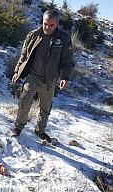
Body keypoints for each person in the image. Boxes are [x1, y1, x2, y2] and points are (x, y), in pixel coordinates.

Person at [11, 9, 75, 142]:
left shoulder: (63, 39)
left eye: (51, 25)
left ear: (57, 24)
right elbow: (23, 55)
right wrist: (17, 71)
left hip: (50, 80)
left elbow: (67, 61)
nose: (47, 27)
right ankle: (18, 126)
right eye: (45, 23)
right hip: (33, 76)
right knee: (24, 102)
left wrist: (65, 77)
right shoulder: (33, 35)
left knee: (45, 108)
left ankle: (40, 130)